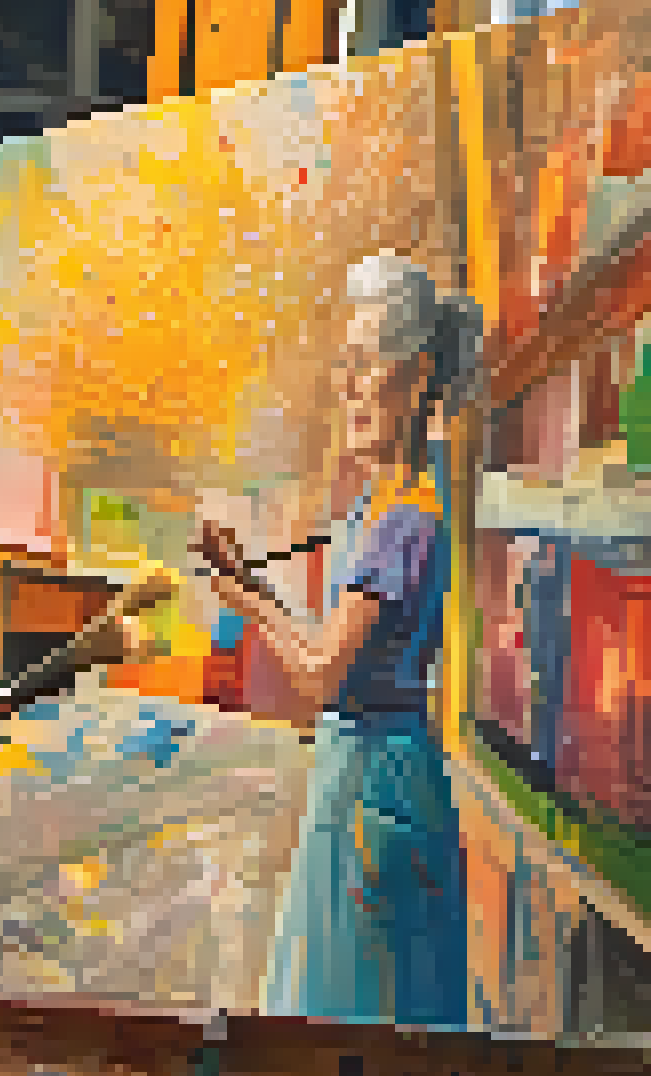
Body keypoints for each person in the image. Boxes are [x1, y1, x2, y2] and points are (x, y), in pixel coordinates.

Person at [198, 252, 483, 1026]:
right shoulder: (377, 508)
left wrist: (248, 604)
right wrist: (252, 584)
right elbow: (336, 643)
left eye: (367, 363)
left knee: (348, 1018)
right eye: (344, 365)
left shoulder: (404, 521)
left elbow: (324, 672)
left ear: (417, 375)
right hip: (371, 778)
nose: (348, 386)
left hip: (374, 792)